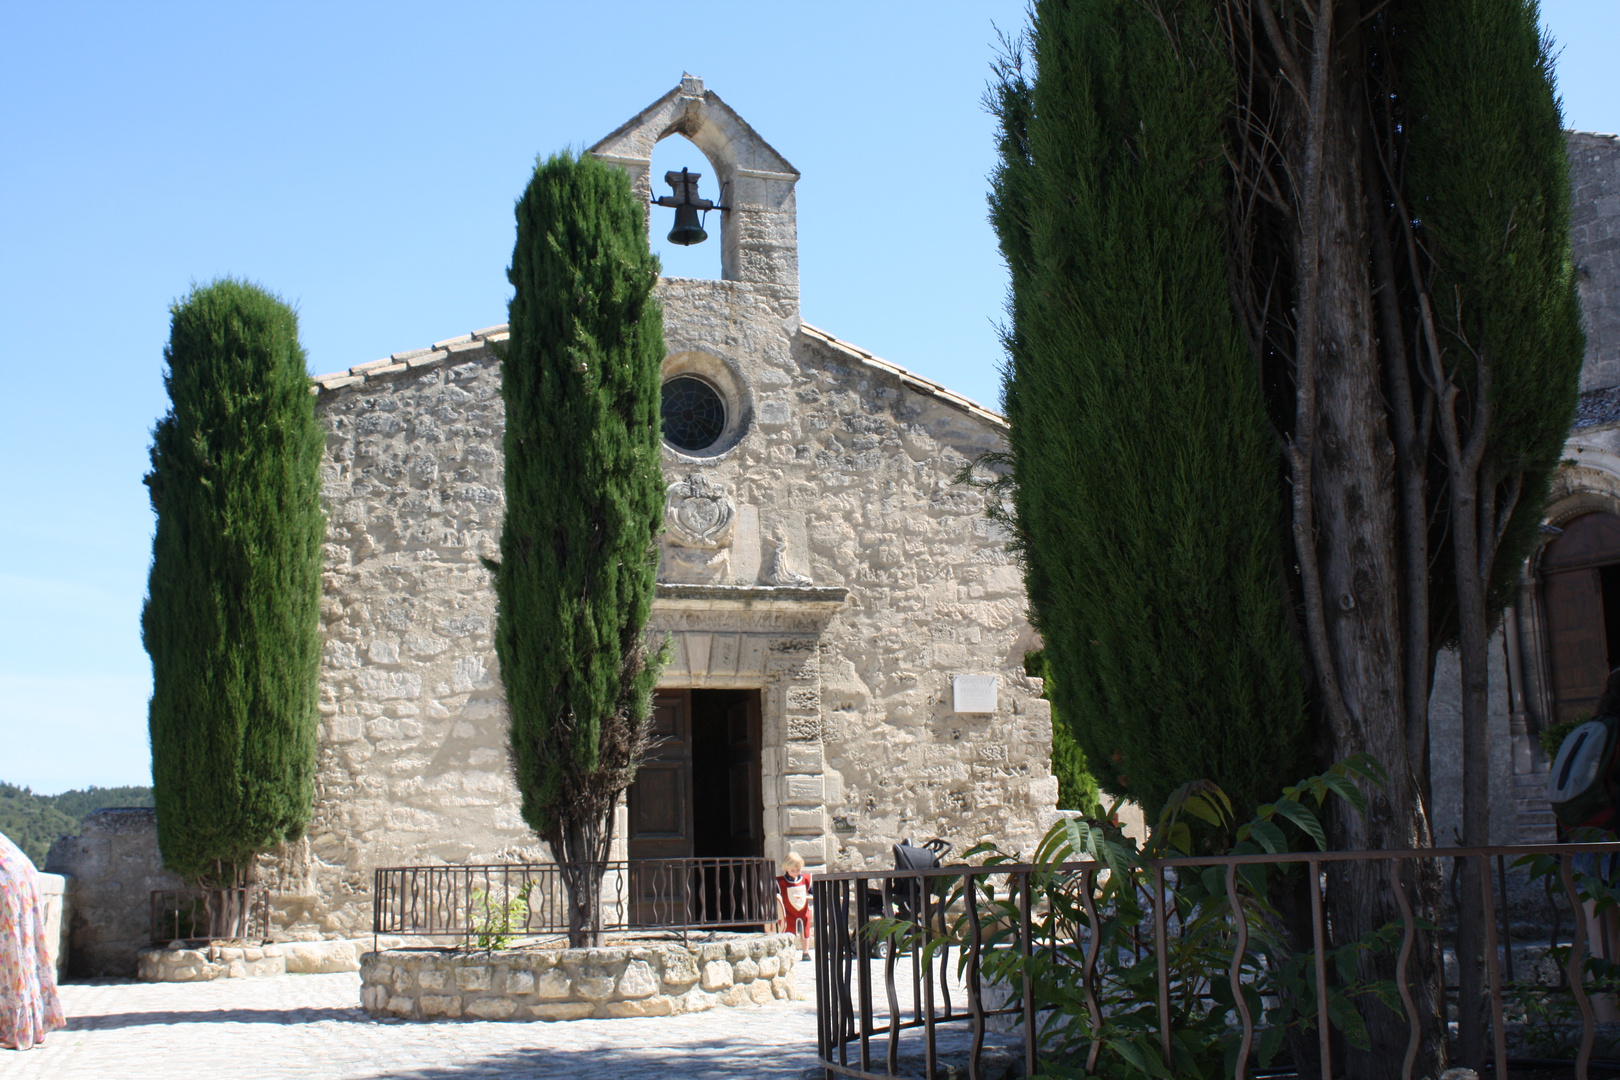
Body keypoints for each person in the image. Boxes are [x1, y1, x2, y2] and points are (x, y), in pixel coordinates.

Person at [0, 831, 65, 1051]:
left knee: (10, 958)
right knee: (20, 955)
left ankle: (15, 1027)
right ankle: (26, 1023)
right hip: (19, 874)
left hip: (6, 881)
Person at [774, 851, 812, 961]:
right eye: (792, 870)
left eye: (798, 870)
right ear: (786, 868)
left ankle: (805, 952)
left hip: (803, 911)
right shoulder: (780, 881)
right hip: (788, 912)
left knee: (805, 931)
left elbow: (812, 891)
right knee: (788, 931)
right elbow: (776, 896)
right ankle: (788, 952)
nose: (795, 872)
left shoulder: (805, 879)